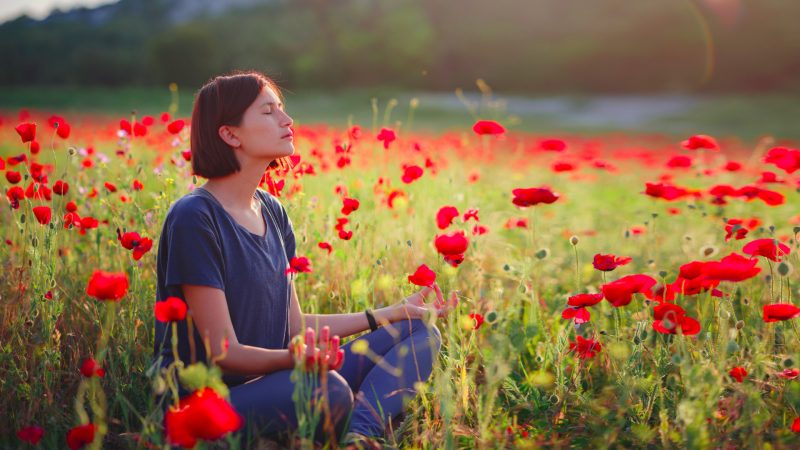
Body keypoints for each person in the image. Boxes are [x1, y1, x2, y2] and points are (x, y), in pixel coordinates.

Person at [152, 70, 456, 449]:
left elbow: (294, 327)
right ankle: (351, 426)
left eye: (282, 108)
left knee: (420, 332)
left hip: (283, 378)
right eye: (268, 111)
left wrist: (391, 313)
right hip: (207, 402)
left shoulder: (273, 212)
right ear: (230, 134)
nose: (287, 120)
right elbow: (224, 353)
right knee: (328, 389)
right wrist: (297, 362)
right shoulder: (196, 217)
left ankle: (359, 436)